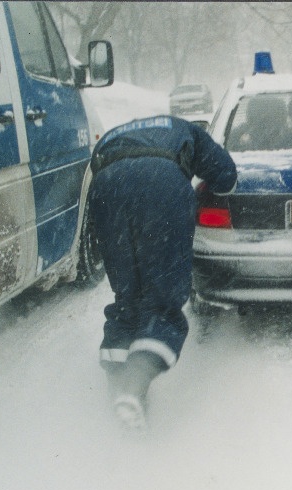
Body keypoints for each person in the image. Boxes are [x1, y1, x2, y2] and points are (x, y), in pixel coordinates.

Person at [89, 115, 237, 430]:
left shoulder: (115, 132)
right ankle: (134, 387)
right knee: (163, 298)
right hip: (162, 183)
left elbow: (97, 166)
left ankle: (116, 392)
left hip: (106, 188)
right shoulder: (184, 128)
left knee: (127, 296)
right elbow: (226, 176)